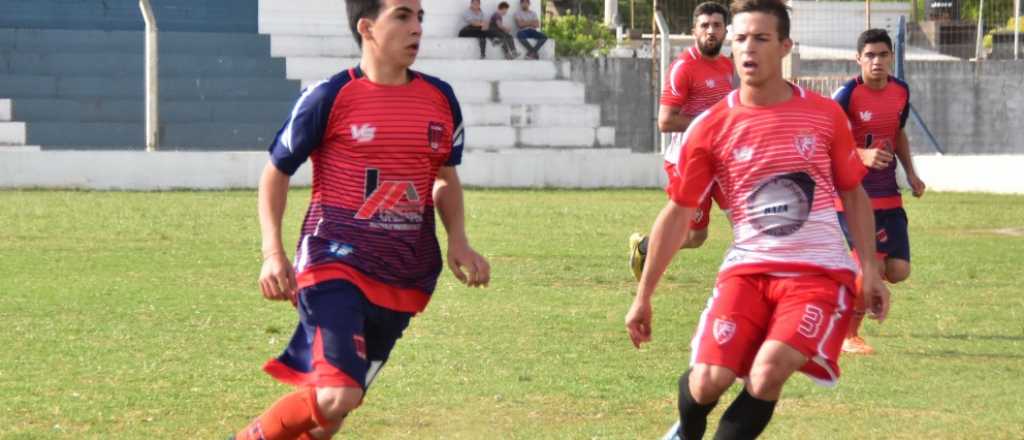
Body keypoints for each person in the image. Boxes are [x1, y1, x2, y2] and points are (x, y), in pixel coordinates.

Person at [624, 0, 892, 438]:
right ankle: (686, 429)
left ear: (785, 46)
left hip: (817, 273)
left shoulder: (824, 115)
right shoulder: (710, 126)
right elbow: (679, 212)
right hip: (746, 271)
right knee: (707, 381)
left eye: (762, 38)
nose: (748, 48)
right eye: (741, 38)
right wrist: (644, 295)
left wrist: (871, 270)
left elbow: (853, 192)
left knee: (767, 371)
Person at [233, 1, 491, 439]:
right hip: (333, 263)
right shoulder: (330, 96)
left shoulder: (441, 98)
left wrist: (459, 240)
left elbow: (444, 177)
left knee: (328, 418)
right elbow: (275, 172)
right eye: (403, 16)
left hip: (404, 276)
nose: (417, 28)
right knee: (339, 394)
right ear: (367, 28)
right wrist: (272, 253)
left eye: (420, 17)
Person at [832, 28, 926, 355]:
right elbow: (827, 141)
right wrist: (861, 155)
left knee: (898, 270)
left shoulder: (900, 91)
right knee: (868, 268)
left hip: (889, 194)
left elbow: (897, 133)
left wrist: (911, 173)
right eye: (870, 55)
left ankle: (853, 286)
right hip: (852, 196)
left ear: (892, 58)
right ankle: (848, 335)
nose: (877, 61)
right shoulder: (846, 96)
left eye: (883, 55)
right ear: (858, 59)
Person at [628, 1, 734, 282]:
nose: (711, 31)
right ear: (694, 31)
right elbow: (665, 121)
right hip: (688, 163)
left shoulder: (727, 66)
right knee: (695, 236)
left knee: (744, 224)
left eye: (717, 25)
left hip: (721, 162)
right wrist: (711, 124)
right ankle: (645, 247)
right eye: (705, 26)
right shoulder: (683, 68)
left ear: (725, 31)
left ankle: (742, 281)